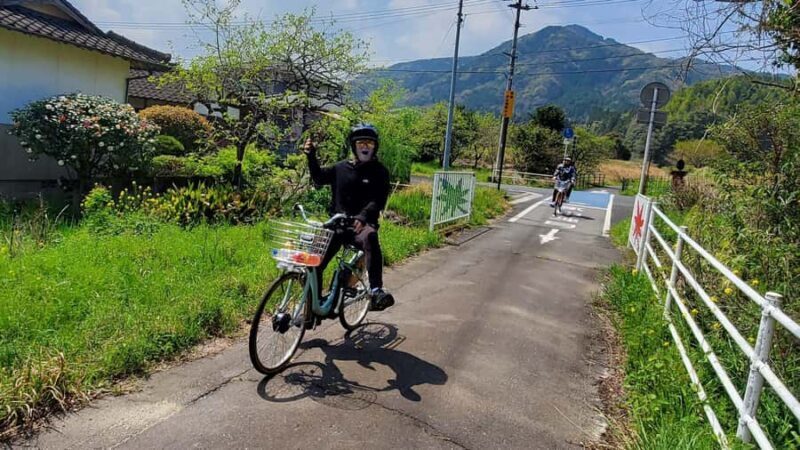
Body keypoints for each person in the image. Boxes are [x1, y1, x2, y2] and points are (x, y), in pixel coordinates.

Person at [303, 123, 395, 312]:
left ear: (375, 146)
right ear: (353, 146)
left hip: (362, 226)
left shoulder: (380, 172)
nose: (365, 146)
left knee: (370, 237)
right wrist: (311, 156)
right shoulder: (340, 168)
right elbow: (319, 178)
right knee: (313, 262)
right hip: (337, 225)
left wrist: (362, 217)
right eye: (361, 142)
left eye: (369, 142)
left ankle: (376, 290)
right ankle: (314, 309)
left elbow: (378, 201)